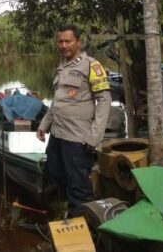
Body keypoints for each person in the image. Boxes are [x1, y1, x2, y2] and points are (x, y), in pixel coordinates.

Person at [36, 24, 111, 217]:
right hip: (58, 134)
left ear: (78, 42)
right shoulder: (62, 67)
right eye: (60, 41)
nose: (63, 45)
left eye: (68, 41)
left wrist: (95, 137)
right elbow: (57, 101)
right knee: (54, 171)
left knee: (78, 186)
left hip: (77, 138)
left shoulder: (92, 66)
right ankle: (68, 212)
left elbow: (104, 101)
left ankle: (81, 228)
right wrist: (44, 124)